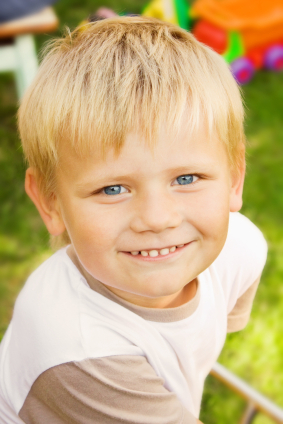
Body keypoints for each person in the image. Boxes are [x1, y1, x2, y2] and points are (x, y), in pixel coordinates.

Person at [0, 16, 267, 424]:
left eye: (186, 178)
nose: (157, 219)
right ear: (50, 203)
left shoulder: (243, 248)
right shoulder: (80, 353)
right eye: (112, 189)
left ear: (234, 179)